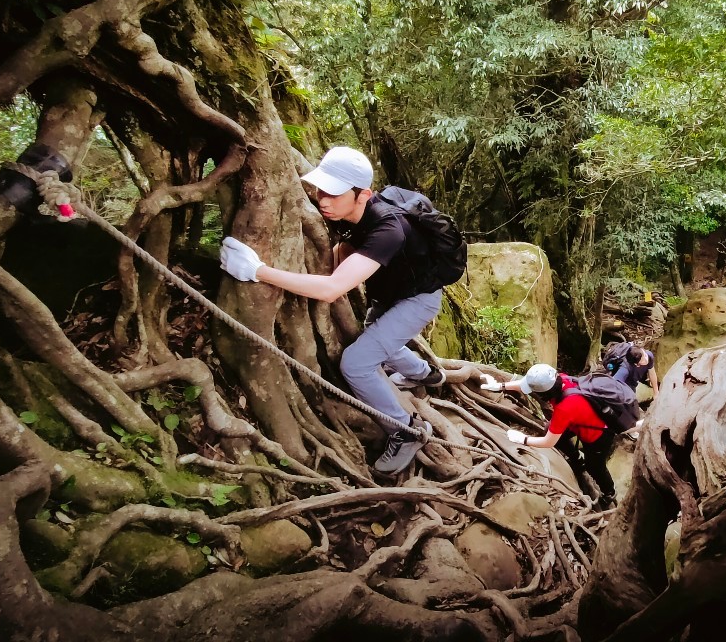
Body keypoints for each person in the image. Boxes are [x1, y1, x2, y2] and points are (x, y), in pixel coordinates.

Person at [219, 146, 443, 475]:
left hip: (418, 299)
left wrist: (257, 271)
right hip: (391, 294)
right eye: (322, 189)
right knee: (374, 332)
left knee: (356, 362)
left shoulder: (388, 228)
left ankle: (405, 430)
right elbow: (345, 248)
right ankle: (425, 374)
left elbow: (332, 290)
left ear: (363, 195)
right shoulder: (352, 214)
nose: (323, 199)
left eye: (334, 194)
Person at [481, 364, 617, 507]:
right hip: (580, 422)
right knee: (550, 429)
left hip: (598, 435)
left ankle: (609, 492)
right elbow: (523, 384)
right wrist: (498, 386)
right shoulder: (560, 379)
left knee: (595, 467)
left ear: (545, 394)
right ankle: (577, 460)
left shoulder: (565, 407)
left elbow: (548, 442)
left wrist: (523, 439)